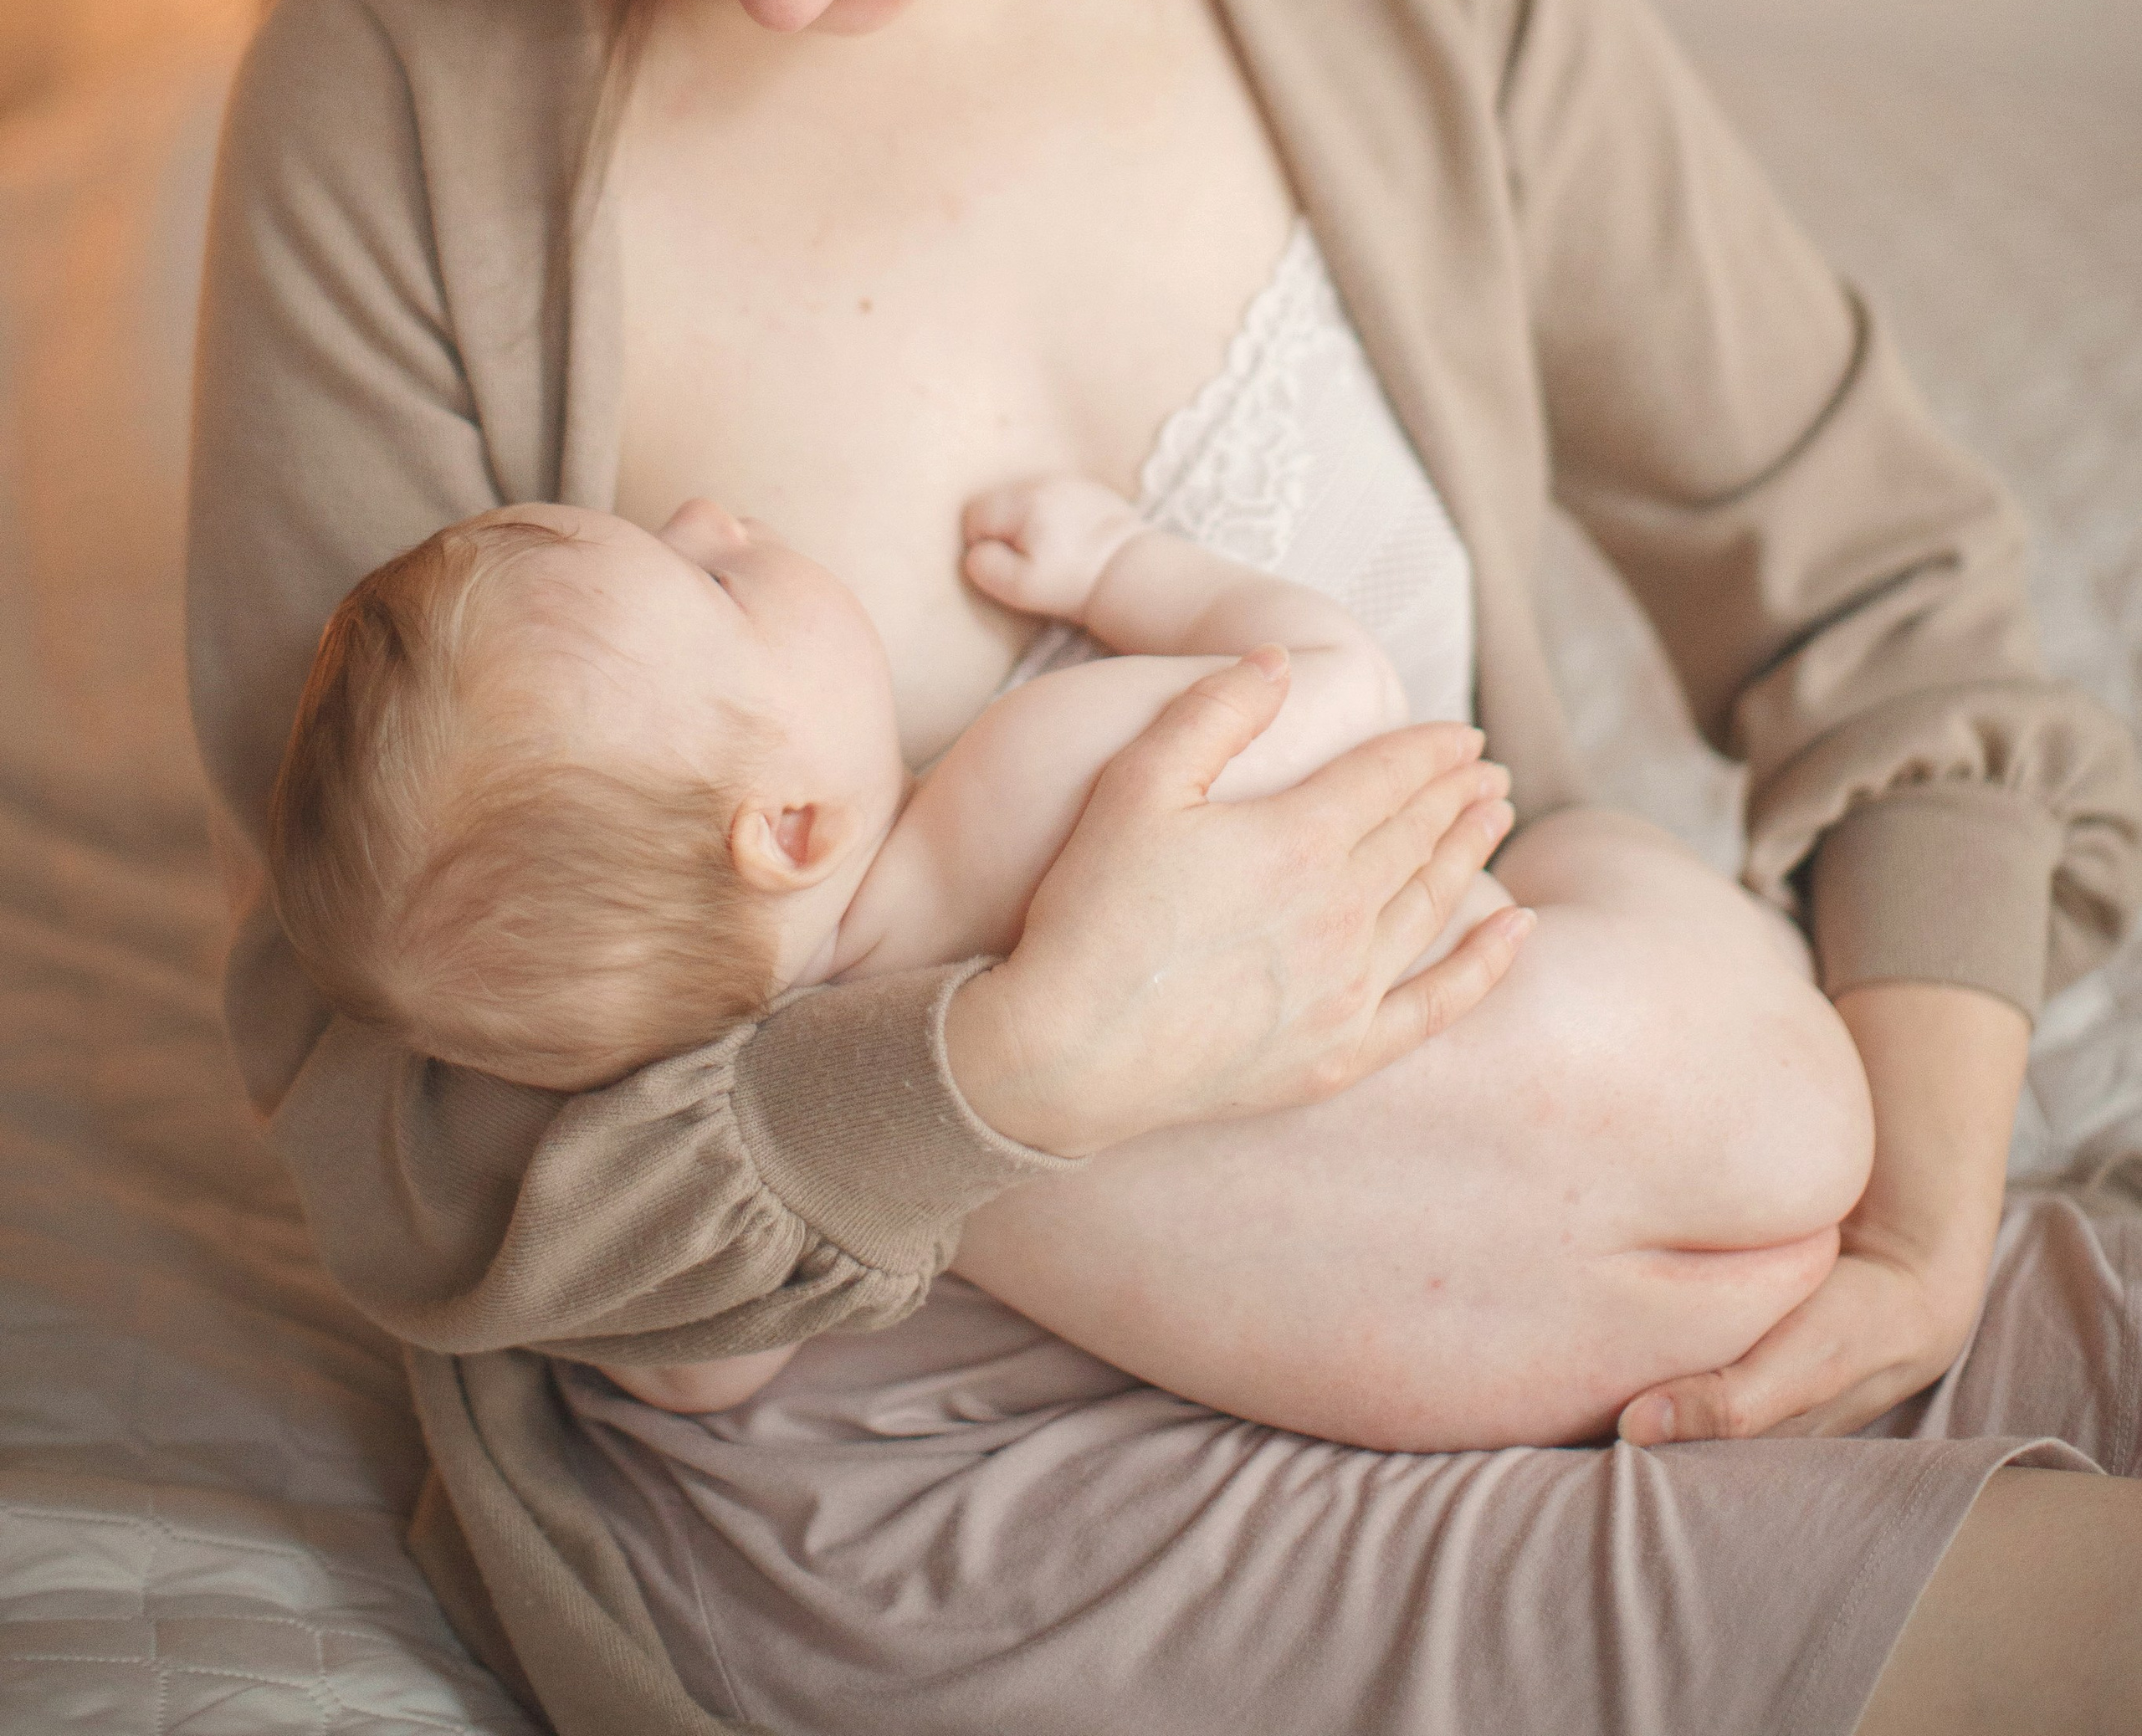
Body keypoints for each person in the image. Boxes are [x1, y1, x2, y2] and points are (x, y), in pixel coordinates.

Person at [187, 0, 2142, 1736]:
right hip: (917, 1459)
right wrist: (996, 1075)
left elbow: (1877, 583)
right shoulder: (391, 104)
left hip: (1553, 1185)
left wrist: (1910, 1221)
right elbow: (389, 1067)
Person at [264, 479, 1874, 1452]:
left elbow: (704, 1381)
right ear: (796, 827)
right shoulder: (1024, 787)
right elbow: (1345, 682)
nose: (709, 516)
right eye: (709, 578)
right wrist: (1122, 569)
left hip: (1551, 1376)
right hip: (1743, 1105)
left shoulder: (819, 1187)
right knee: (1594, 842)